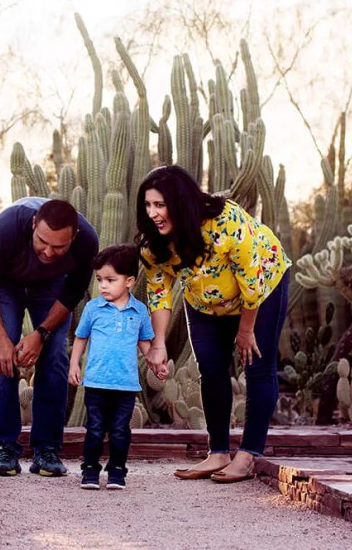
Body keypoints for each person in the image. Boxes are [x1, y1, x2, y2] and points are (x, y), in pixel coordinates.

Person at [138, 165, 291, 483]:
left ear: (179, 202)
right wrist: (159, 343)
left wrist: (245, 331)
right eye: (148, 205)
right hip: (204, 300)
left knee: (257, 366)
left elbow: (252, 282)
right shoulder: (154, 245)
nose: (152, 213)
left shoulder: (225, 221)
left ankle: (249, 454)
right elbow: (159, 294)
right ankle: (218, 452)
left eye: (160, 205)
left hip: (262, 285)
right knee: (210, 368)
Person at [0, 196, 99, 477]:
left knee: (54, 354)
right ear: (33, 225)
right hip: (6, 284)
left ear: (74, 237)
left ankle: (47, 449)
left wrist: (41, 334)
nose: (48, 252)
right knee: (3, 355)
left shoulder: (87, 241)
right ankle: (5, 448)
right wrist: (0, 338)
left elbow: (72, 294)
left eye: (59, 247)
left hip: (52, 287)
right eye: (42, 241)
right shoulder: (5, 228)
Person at [68, 243, 155, 491]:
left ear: (129, 282)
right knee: (95, 429)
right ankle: (90, 470)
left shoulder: (139, 311)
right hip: (96, 382)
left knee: (119, 430)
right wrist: (74, 364)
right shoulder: (93, 308)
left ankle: (117, 471)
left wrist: (155, 363)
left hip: (125, 385)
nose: (103, 286)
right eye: (99, 280)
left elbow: (145, 343)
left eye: (110, 280)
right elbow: (81, 337)